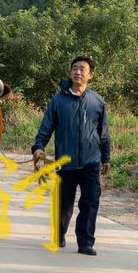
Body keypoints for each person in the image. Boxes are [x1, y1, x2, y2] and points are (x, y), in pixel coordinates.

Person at [31, 55, 111, 256]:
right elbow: (46, 127)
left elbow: (104, 133)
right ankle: (58, 234)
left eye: (82, 69)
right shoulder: (58, 101)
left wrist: (106, 157)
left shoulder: (97, 101)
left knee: (90, 201)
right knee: (64, 202)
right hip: (65, 162)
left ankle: (85, 243)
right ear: (70, 72)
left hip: (91, 161)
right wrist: (38, 147)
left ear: (90, 75)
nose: (78, 72)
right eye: (75, 68)